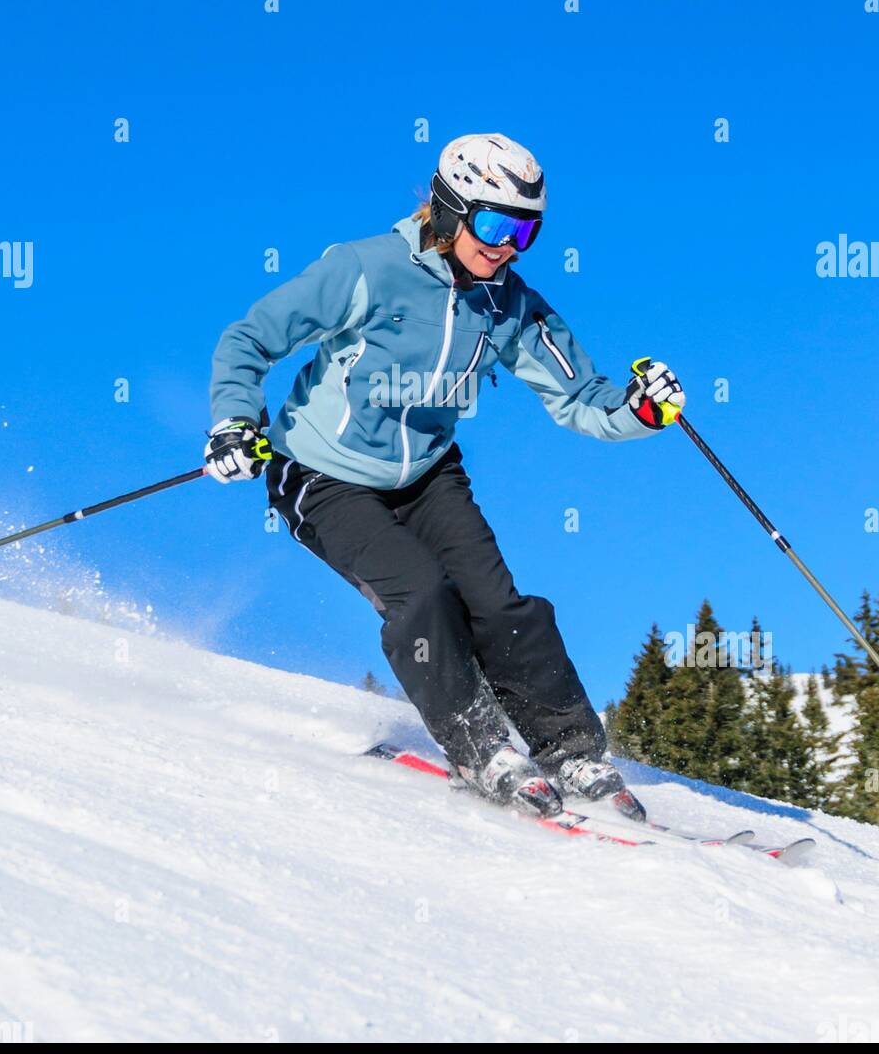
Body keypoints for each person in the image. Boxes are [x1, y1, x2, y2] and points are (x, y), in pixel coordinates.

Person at [205, 134, 685, 819]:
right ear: (450, 209)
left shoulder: (511, 305)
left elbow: (579, 396)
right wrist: (233, 422)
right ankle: (479, 745)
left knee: (499, 606)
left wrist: (639, 409)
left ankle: (571, 750)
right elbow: (249, 338)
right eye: (494, 224)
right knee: (424, 595)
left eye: (526, 230)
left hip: (428, 476)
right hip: (321, 473)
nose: (507, 245)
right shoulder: (365, 268)